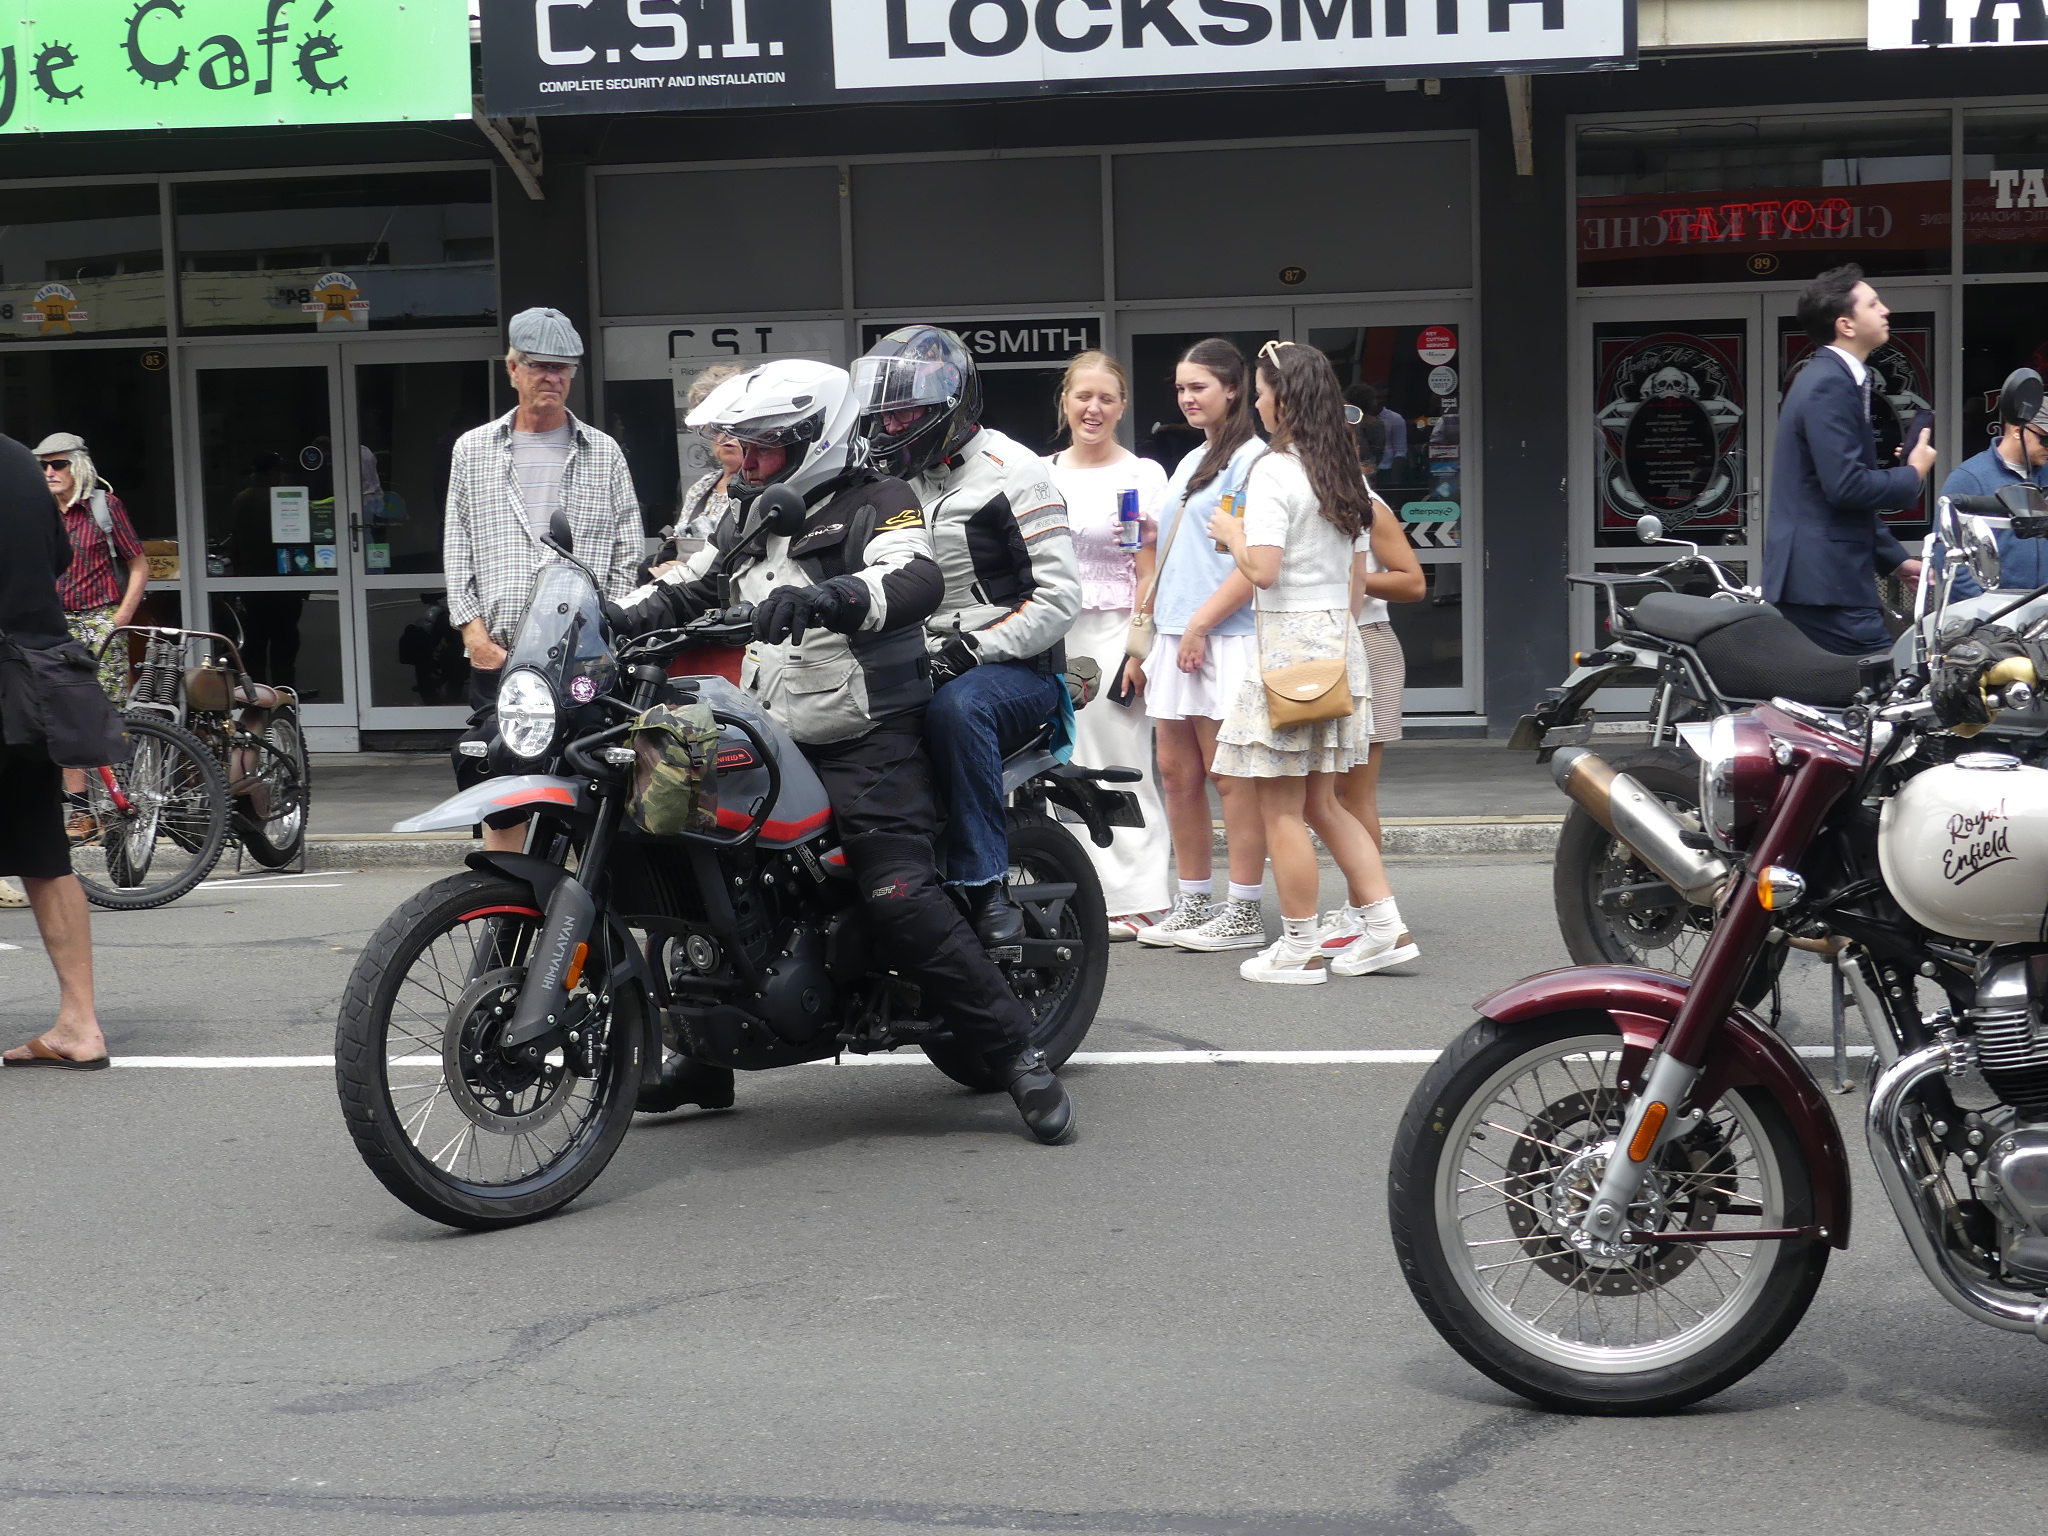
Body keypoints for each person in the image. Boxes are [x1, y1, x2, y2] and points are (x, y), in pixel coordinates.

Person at [614, 359, 1075, 1143]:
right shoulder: (752, 508)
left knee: (900, 894)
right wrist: (609, 614)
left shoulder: (879, 499)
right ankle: (704, 1054)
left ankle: (1017, 1053)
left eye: (764, 445)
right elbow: (694, 580)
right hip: (772, 726)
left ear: (814, 439)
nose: (748, 460)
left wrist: (832, 596)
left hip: (868, 734)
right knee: (696, 859)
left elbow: (913, 576)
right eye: (743, 445)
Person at [853, 326, 1082, 948]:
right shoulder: (887, 479)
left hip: (1014, 670)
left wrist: (973, 650)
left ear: (950, 406)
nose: (892, 426)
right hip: (916, 657)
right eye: (886, 414)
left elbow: (1059, 598)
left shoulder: (1015, 472)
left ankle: (985, 884)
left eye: (906, 413)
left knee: (959, 709)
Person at [1207, 341, 1416, 985]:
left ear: (1284, 399)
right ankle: (1384, 928)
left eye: (1261, 393)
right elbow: (1355, 583)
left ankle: (1299, 946)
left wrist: (1231, 534)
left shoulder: (1274, 472)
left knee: (1281, 807)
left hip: (1288, 646)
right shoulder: (1342, 472)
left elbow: (1264, 569)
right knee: (1324, 803)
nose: (1257, 404)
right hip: (1339, 644)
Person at [444, 307, 644, 853]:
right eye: (539, 366)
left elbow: (628, 550)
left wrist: (608, 632)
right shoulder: (473, 450)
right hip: (502, 653)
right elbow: (457, 547)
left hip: (586, 658)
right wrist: (474, 637)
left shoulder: (603, 453)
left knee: (592, 785)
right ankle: (505, 897)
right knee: (501, 786)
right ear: (513, 368)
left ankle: (587, 901)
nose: (552, 378)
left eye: (563, 368)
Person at [1132, 338, 1270, 953]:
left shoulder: (1254, 461)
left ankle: (1243, 909)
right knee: (1176, 772)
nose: (1187, 398)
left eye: (1199, 387)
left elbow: (1255, 564)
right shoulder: (1192, 458)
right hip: (1173, 632)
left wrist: (1201, 626)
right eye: (1181, 388)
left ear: (1233, 389)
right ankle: (1192, 900)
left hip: (1223, 636)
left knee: (1229, 776)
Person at [1046, 349, 1172, 938]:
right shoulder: (1040, 473)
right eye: (1083, 396)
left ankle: (1139, 896)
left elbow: (1150, 569)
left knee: (1122, 759)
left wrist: (1139, 647)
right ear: (1065, 402)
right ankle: (1079, 891)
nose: (1093, 408)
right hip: (1052, 632)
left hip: (1119, 630)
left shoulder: (1141, 476)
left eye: (1106, 398)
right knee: (1061, 763)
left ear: (1122, 407)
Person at [0, 432, 109, 1069]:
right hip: (32, 683)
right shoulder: (21, 462)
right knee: (45, 854)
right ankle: (80, 1025)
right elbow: (59, 558)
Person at [1761, 264, 1937, 656]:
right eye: (1873, 304)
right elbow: (1846, 487)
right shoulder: (1830, 382)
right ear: (1846, 325)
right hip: (1825, 584)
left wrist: (1896, 561)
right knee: (1884, 679)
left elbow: (1832, 494)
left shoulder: (1833, 377)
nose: (1886, 310)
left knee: (1842, 689)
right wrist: (1913, 472)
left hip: (1820, 582)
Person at [34, 433, 148, 842]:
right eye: (43, 465)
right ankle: (82, 813)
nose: (49, 472)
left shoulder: (104, 506)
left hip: (100, 621)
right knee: (64, 716)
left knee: (104, 716)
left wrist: (121, 617)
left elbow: (139, 564)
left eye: (58, 464)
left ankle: (119, 801)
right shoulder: (39, 511)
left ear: (78, 465)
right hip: (54, 624)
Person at [1335, 453, 1427, 858]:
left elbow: (1413, 583)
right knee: (1318, 795)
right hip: (1316, 644)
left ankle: (1368, 893)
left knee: (1350, 793)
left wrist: (1349, 578)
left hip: (1368, 642)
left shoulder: (1367, 504)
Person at [640, 363, 746, 582]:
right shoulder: (700, 488)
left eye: (733, 424)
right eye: (715, 426)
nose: (725, 436)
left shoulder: (764, 486)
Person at [1939, 392, 2048, 598]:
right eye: (2045, 439)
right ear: (2017, 430)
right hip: (1993, 607)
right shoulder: (1969, 477)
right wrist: (1981, 608)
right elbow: (1948, 554)